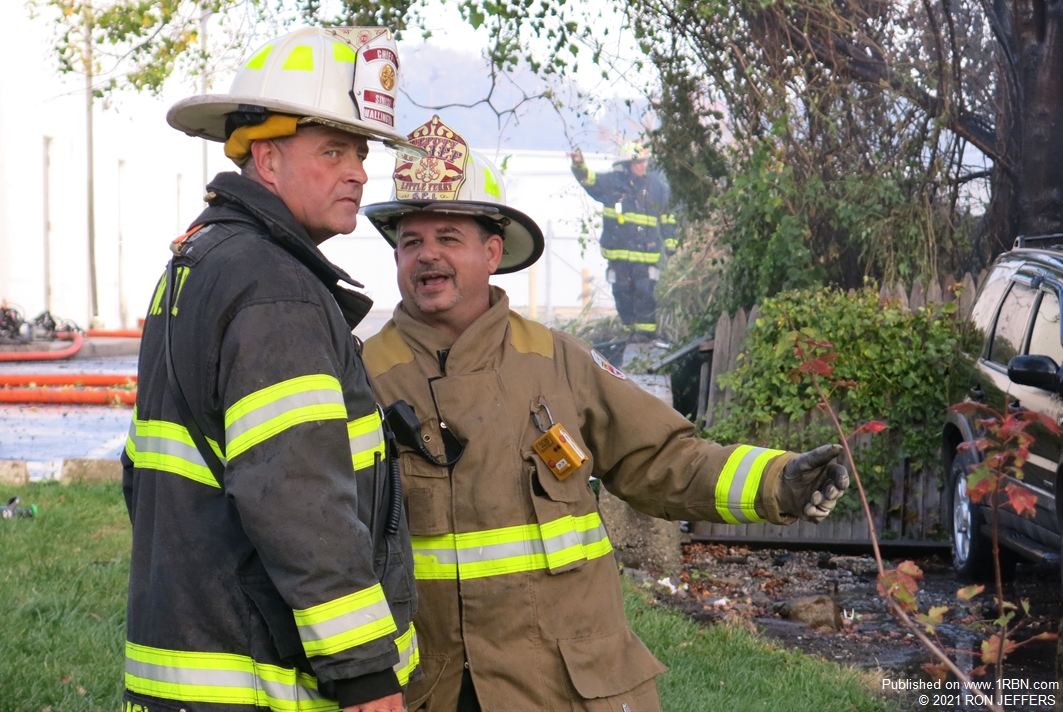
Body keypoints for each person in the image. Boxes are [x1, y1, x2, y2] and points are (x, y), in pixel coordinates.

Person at [360, 116, 849, 712]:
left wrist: (777, 481)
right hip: (434, 690)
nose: (426, 256)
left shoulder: (556, 361)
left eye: (447, 238)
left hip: (563, 688)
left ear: (493, 252)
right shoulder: (363, 378)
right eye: (411, 241)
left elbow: (662, 458)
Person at [121, 26, 422, 712]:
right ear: (266, 159)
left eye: (361, 152)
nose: (359, 171)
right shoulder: (273, 288)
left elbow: (145, 475)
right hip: (258, 678)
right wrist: (367, 676)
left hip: (185, 659)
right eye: (332, 150)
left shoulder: (200, 263)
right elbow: (299, 500)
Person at [570, 144, 676, 340]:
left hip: (646, 256)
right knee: (622, 294)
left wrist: (671, 242)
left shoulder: (656, 187)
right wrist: (579, 165)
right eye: (638, 161)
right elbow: (590, 180)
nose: (643, 165)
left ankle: (646, 336)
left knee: (645, 294)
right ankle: (630, 333)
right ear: (627, 164)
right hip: (618, 257)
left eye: (644, 161)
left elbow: (667, 216)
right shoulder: (612, 183)